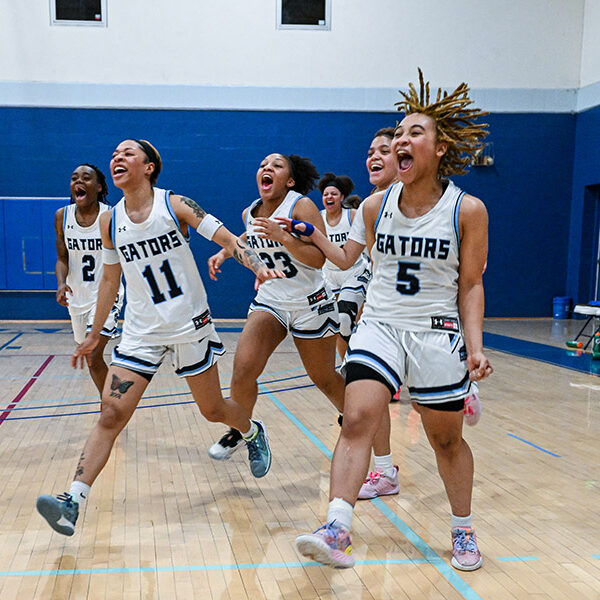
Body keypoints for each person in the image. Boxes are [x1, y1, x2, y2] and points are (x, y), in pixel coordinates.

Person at [294, 69, 493, 570]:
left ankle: (463, 529)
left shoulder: (467, 210)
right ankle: (337, 526)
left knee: (445, 439)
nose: (401, 141)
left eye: (414, 133)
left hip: (436, 332)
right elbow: (344, 260)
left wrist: (475, 346)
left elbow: (469, 284)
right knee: (357, 417)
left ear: (441, 148)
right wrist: (310, 238)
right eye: (398, 134)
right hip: (380, 324)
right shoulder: (377, 205)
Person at [36, 139, 282, 536]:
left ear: (149, 167)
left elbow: (227, 239)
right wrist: (94, 335)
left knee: (214, 409)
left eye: (127, 153)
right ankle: (72, 501)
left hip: (187, 323)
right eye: (114, 154)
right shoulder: (109, 221)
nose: (117, 157)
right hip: (140, 331)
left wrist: (257, 265)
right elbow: (110, 279)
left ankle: (253, 431)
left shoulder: (176, 204)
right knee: (110, 413)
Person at [206, 153, 346, 461]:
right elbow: (249, 234)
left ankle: (352, 414)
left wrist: (285, 237)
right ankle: (242, 431)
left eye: (276, 166)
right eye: (262, 165)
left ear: (290, 180)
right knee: (243, 369)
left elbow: (318, 258)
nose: (266, 168)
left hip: (311, 302)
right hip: (271, 301)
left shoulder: (301, 206)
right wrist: (225, 252)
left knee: (323, 377)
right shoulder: (250, 211)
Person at [55, 164, 123, 395]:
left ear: (99, 186)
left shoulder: (111, 216)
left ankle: (110, 408)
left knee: (94, 354)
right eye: (74, 178)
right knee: (90, 354)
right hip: (77, 297)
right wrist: (61, 284)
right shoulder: (62, 216)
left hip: (106, 294)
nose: (79, 182)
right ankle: (115, 391)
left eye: (86, 178)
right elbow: (62, 258)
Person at [318, 172, 370, 358]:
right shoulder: (317, 218)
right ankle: (345, 364)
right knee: (333, 325)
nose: (329, 197)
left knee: (345, 318)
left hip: (353, 271)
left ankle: (353, 358)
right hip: (327, 275)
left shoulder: (353, 215)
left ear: (342, 197)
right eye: (325, 194)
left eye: (333, 194)